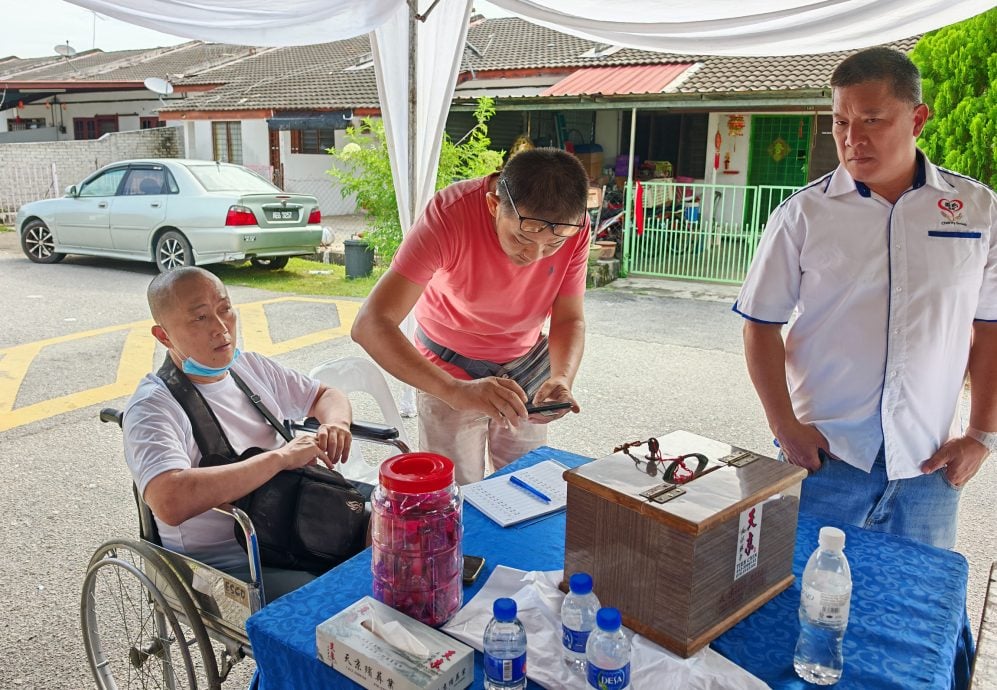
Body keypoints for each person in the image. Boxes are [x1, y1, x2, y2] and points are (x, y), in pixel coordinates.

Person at [733, 47, 997, 549]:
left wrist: (983, 436)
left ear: (917, 118)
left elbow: (991, 327)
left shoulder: (976, 210)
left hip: (930, 468)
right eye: (840, 123)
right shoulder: (803, 215)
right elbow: (760, 325)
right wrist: (784, 426)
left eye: (873, 120)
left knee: (911, 612)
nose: (853, 140)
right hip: (825, 462)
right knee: (802, 601)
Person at [352, 148, 590, 485]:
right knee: (456, 494)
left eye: (552, 246)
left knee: (526, 486)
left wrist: (562, 377)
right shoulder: (450, 215)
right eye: (522, 237)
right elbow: (370, 324)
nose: (534, 256)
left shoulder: (573, 226)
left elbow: (569, 319)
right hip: (447, 367)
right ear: (494, 205)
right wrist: (454, 390)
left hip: (523, 370)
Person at [123, 267, 354, 599]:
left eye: (224, 308)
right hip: (232, 563)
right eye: (200, 318)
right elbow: (168, 498)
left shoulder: (250, 368)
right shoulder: (153, 406)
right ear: (164, 336)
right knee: (332, 603)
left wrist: (336, 425)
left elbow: (325, 396)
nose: (221, 328)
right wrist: (280, 459)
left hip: (296, 521)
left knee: (398, 542)